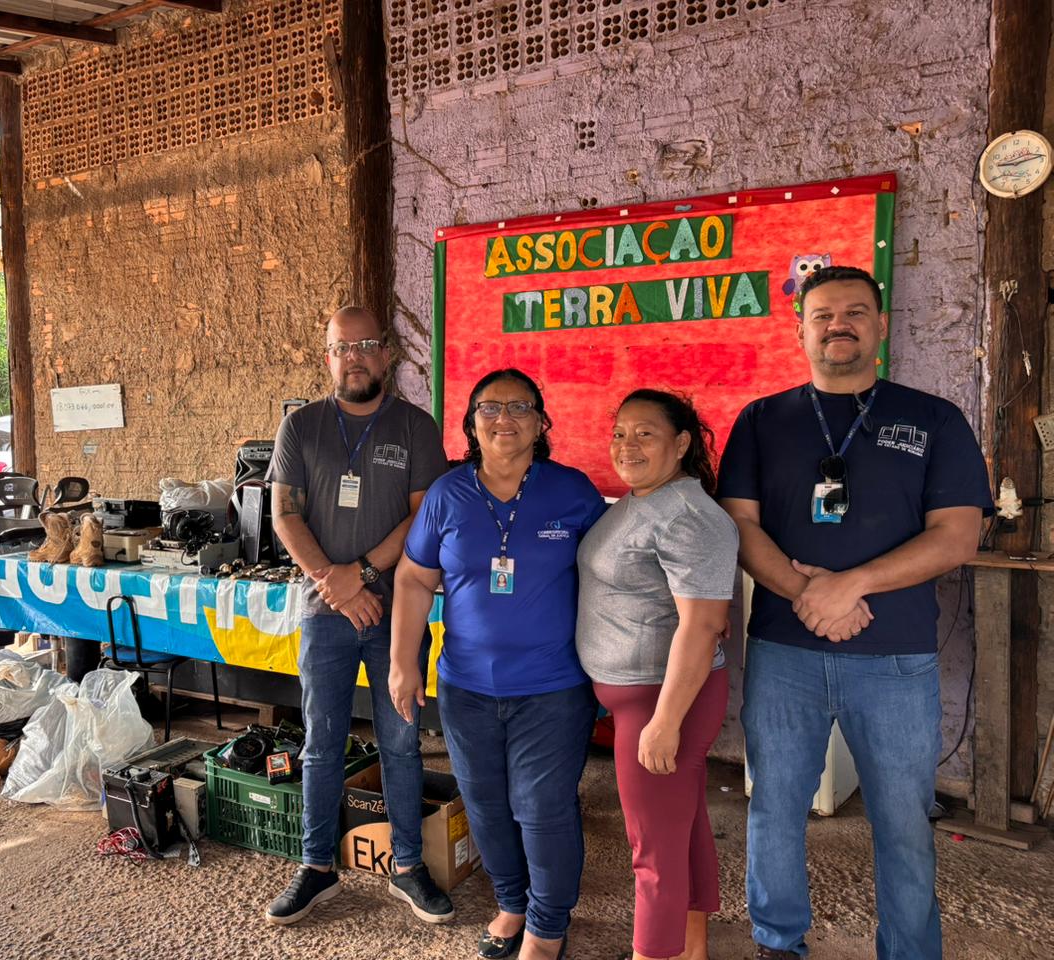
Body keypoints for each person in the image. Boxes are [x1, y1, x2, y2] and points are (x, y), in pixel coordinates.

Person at [716, 265, 992, 960]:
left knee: (902, 821)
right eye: (824, 314)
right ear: (800, 328)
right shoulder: (760, 420)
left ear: (881, 325)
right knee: (775, 810)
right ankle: (778, 943)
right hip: (785, 651)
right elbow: (740, 524)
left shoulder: (935, 419)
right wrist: (808, 594)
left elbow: (958, 534)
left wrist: (852, 585)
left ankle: (909, 952)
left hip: (896, 658)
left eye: (856, 312)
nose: (839, 323)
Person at [391, 368, 607, 960]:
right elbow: (413, 578)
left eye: (519, 407)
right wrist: (401, 662)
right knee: (484, 802)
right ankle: (512, 902)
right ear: (470, 423)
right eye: (489, 407)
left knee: (541, 806)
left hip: (554, 687)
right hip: (465, 686)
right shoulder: (447, 494)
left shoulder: (574, 492)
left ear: (541, 423)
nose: (503, 418)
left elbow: (614, 580)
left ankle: (547, 923)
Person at [264, 305, 452, 925]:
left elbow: (424, 517)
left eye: (367, 345)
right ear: (328, 356)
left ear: (387, 354)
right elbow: (285, 516)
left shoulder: (416, 428)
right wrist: (335, 584)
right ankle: (316, 867)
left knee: (400, 740)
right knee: (322, 742)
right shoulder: (301, 427)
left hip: (398, 612)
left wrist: (364, 576)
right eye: (343, 347)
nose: (355, 356)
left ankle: (407, 867)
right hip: (324, 614)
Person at [576, 390, 738, 960]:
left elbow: (702, 625)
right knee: (682, 834)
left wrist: (666, 720)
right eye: (619, 432)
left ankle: (653, 954)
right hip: (638, 697)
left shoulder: (690, 516)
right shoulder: (640, 502)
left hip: (661, 699)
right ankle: (690, 951)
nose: (627, 445)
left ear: (683, 443)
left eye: (645, 433)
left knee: (653, 852)